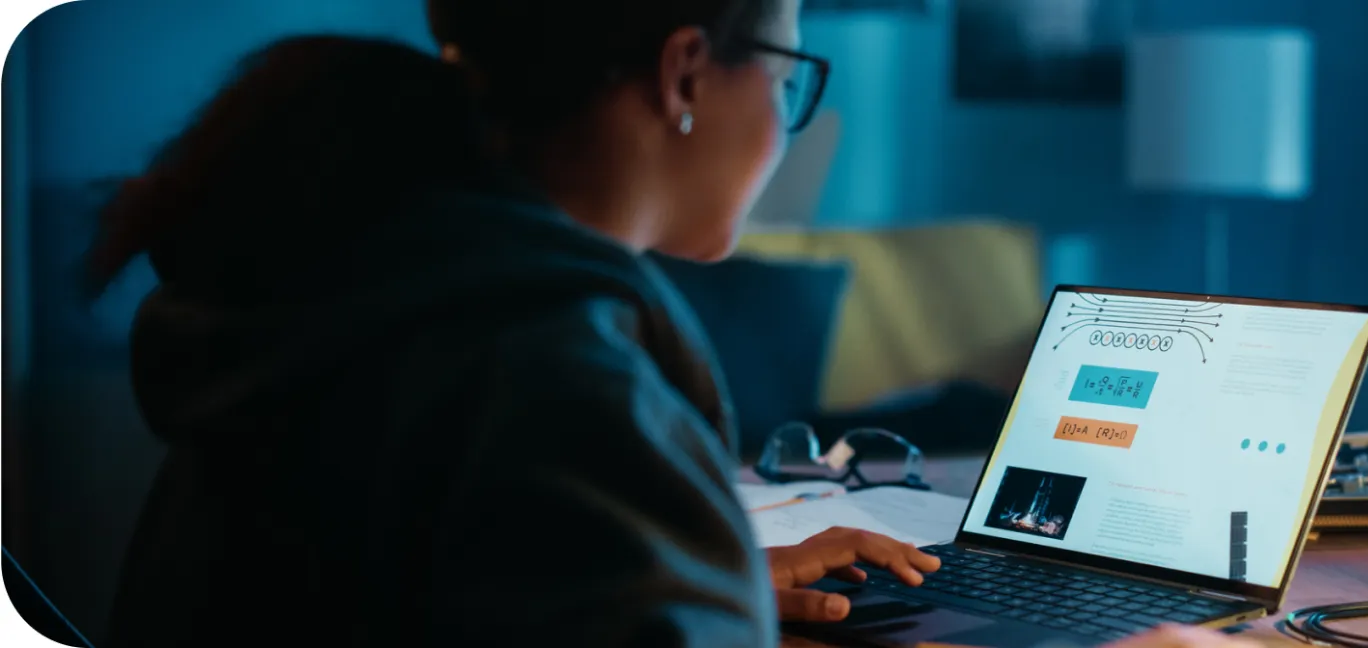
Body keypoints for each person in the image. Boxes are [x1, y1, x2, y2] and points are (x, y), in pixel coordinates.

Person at [88, 0, 1261, 646]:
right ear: (685, 71)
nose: (789, 121)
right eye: (791, 72)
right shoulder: (547, 369)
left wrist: (697, 573)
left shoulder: (358, 291)